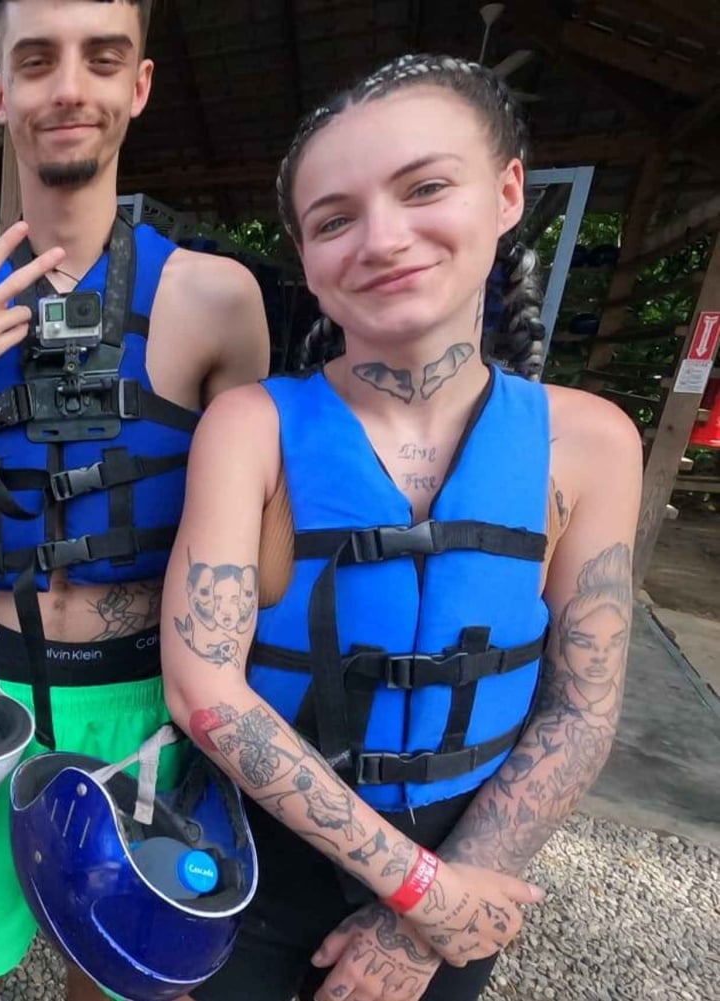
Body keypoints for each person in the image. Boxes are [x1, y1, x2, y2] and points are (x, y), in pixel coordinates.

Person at [161, 54, 641, 1001]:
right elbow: (205, 685)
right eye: (335, 218)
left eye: (424, 187)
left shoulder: (590, 443)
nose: (382, 239)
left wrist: (432, 921)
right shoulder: (252, 428)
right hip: (263, 857)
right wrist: (424, 891)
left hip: (473, 847)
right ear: (305, 253)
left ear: (508, 194)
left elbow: (582, 706)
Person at [0, 1, 269, 997]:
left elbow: (256, 558)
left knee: (111, 958)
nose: (70, 88)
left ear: (137, 85)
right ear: (0, 93)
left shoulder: (219, 301)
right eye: (37, 60)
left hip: (145, 700)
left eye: (103, 59)